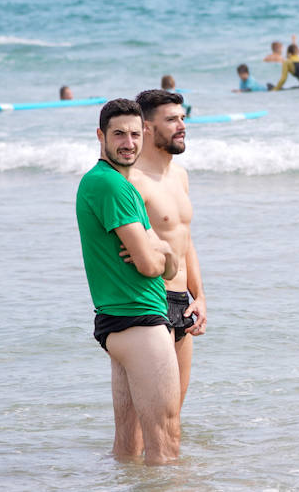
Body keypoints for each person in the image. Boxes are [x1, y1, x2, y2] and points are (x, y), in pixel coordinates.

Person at [75, 98, 181, 464]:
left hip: (119, 320)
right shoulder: (112, 186)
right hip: (140, 320)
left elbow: (161, 264)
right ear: (100, 135)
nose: (129, 143)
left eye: (136, 134)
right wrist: (163, 251)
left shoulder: (108, 183)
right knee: (165, 441)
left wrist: (160, 253)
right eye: (119, 134)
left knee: (128, 446)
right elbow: (154, 267)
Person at [129, 90, 208, 414]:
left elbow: (184, 239)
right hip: (149, 300)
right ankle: (129, 465)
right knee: (147, 416)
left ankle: (163, 468)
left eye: (183, 118)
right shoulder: (132, 180)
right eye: (172, 119)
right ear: (147, 127)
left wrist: (199, 297)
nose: (182, 125)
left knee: (174, 411)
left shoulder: (180, 176)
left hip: (181, 302)